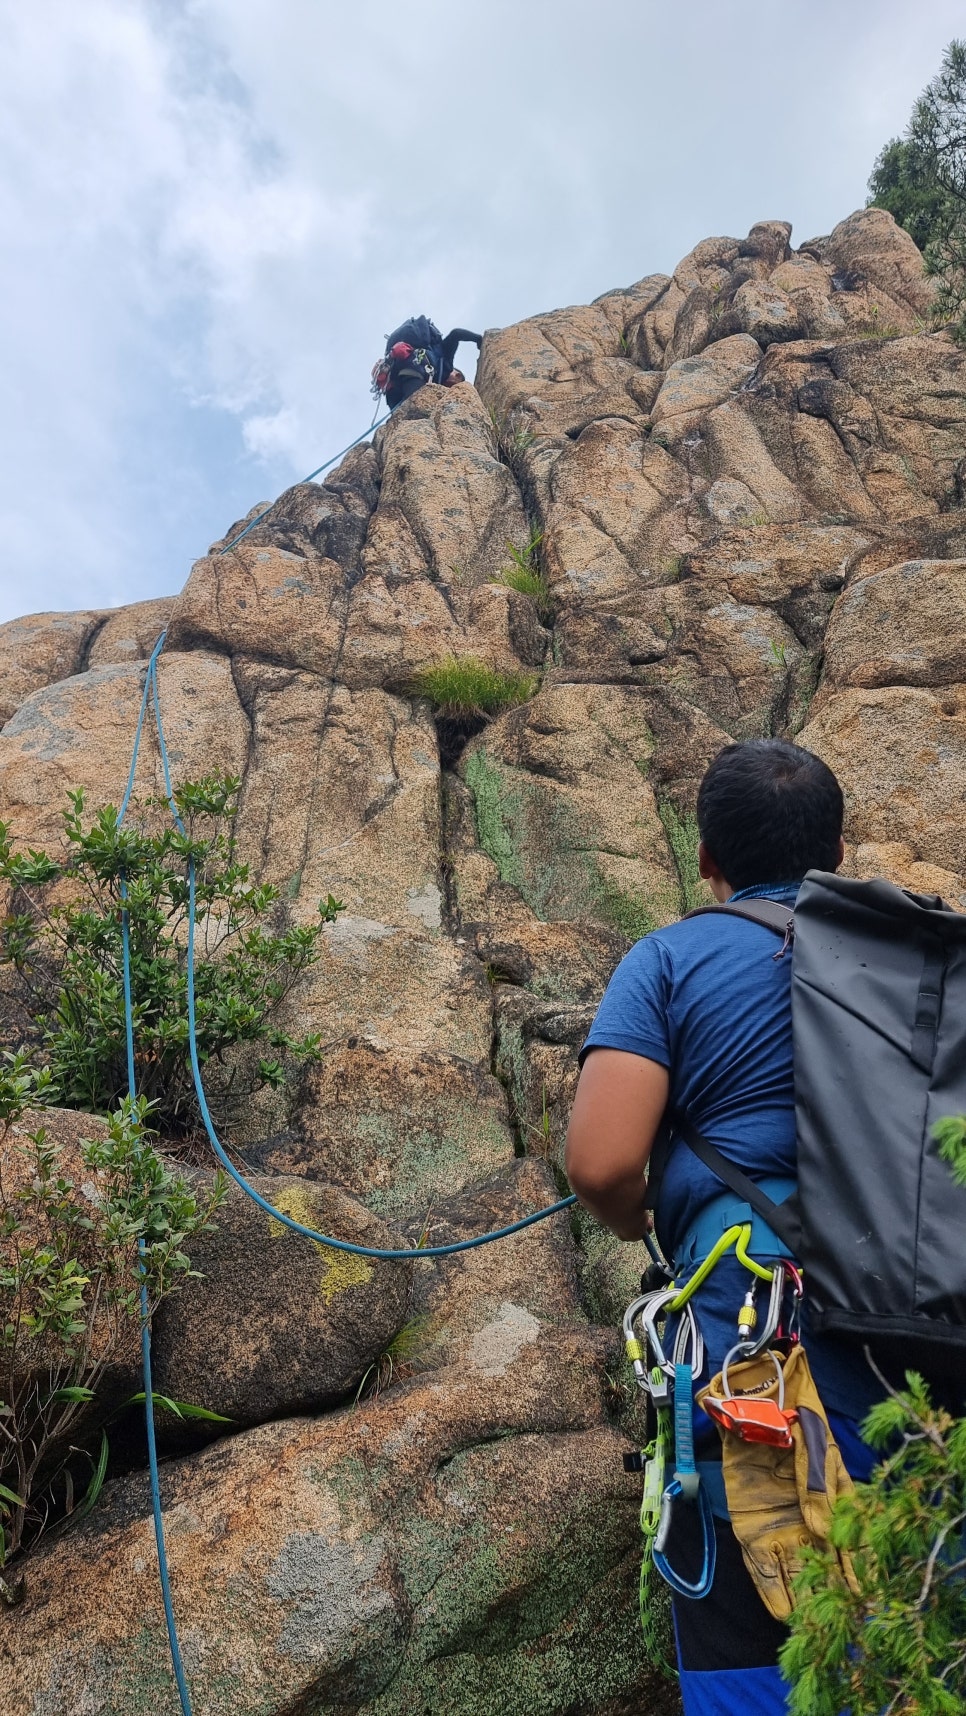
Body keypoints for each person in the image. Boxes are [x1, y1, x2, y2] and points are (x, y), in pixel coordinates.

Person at [564, 739, 887, 1716]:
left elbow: (604, 1162)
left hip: (758, 1353)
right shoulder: (921, 956)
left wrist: (643, 1218)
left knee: (759, 1649)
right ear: (838, 845)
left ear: (707, 857)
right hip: (930, 1343)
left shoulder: (671, 960)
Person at [372, 316, 483, 410]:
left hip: (395, 380)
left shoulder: (436, 374)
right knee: (416, 407)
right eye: (454, 386)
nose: (449, 390)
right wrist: (479, 339)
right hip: (413, 371)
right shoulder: (445, 363)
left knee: (400, 416)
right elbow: (456, 334)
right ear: (456, 376)